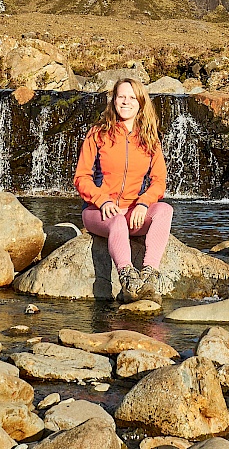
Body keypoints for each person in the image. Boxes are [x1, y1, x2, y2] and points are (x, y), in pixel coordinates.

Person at [73, 77, 173, 302]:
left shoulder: (149, 138)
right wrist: (102, 201)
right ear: (114, 101)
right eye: (121, 97)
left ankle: (149, 275)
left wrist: (144, 203)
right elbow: (81, 177)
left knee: (165, 210)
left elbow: (159, 181)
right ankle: (128, 278)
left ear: (140, 102)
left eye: (131, 98)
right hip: (98, 213)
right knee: (117, 219)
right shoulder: (98, 133)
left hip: (133, 213)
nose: (126, 102)